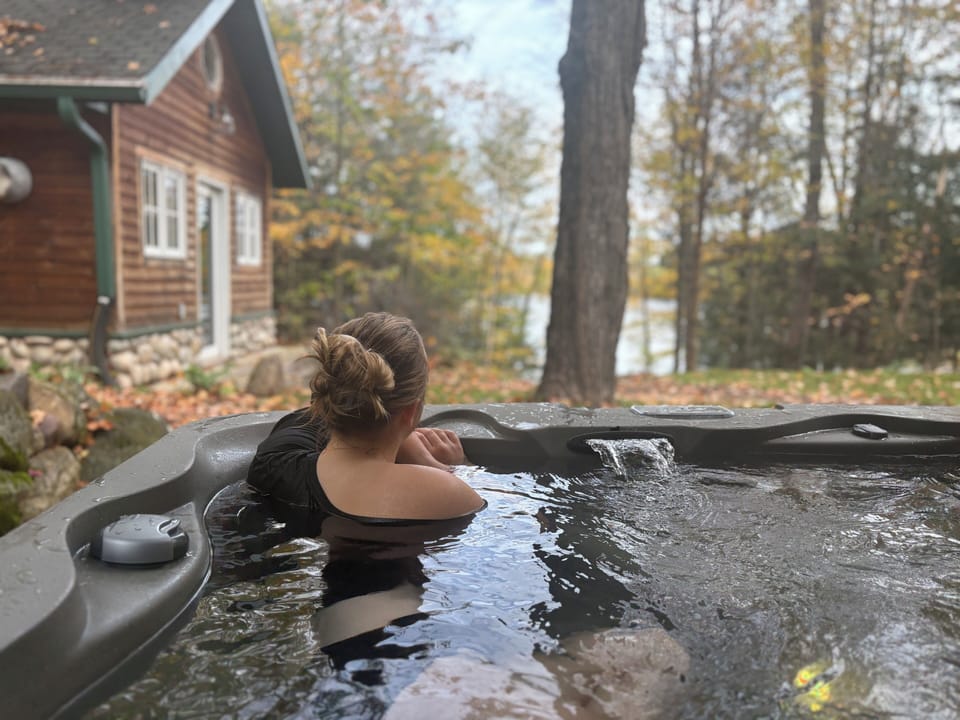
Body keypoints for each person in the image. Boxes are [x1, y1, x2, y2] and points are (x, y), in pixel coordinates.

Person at [246, 312, 485, 524]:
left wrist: (402, 433)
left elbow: (300, 422)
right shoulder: (448, 494)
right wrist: (457, 467)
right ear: (412, 411)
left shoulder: (273, 467)